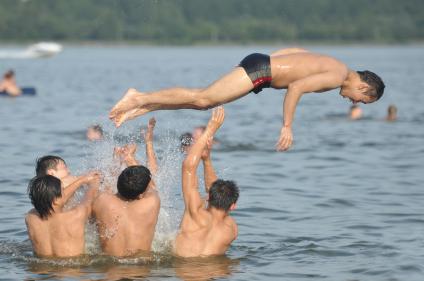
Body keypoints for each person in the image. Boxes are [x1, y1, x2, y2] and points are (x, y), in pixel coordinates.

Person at [109, 47, 385, 151]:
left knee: (202, 102)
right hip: (260, 71)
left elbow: (297, 52)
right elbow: (297, 87)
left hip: (262, 66)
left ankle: (143, 107)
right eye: (361, 101)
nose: (354, 103)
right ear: (363, 88)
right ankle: (138, 97)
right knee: (203, 98)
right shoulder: (338, 76)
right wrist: (287, 126)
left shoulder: (336, 63)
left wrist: (273, 62)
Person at [174, 107, 239, 257]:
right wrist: (207, 160)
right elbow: (214, 189)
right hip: (212, 273)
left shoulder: (195, 214)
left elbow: (188, 167)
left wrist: (210, 130)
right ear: (233, 205)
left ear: (209, 197)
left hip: (184, 273)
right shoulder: (232, 230)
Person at [92, 118, 160, 257]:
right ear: (141, 193)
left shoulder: (102, 201)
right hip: (140, 270)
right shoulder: (151, 203)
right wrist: (131, 156)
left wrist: (116, 160)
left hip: (111, 272)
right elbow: (151, 180)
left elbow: (108, 184)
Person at [25, 172, 100, 257]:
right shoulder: (76, 215)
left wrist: (82, 180)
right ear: (55, 201)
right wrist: (94, 184)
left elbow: (53, 201)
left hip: (42, 269)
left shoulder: (30, 217)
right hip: (71, 269)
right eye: (63, 190)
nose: (65, 193)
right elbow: (89, 198)